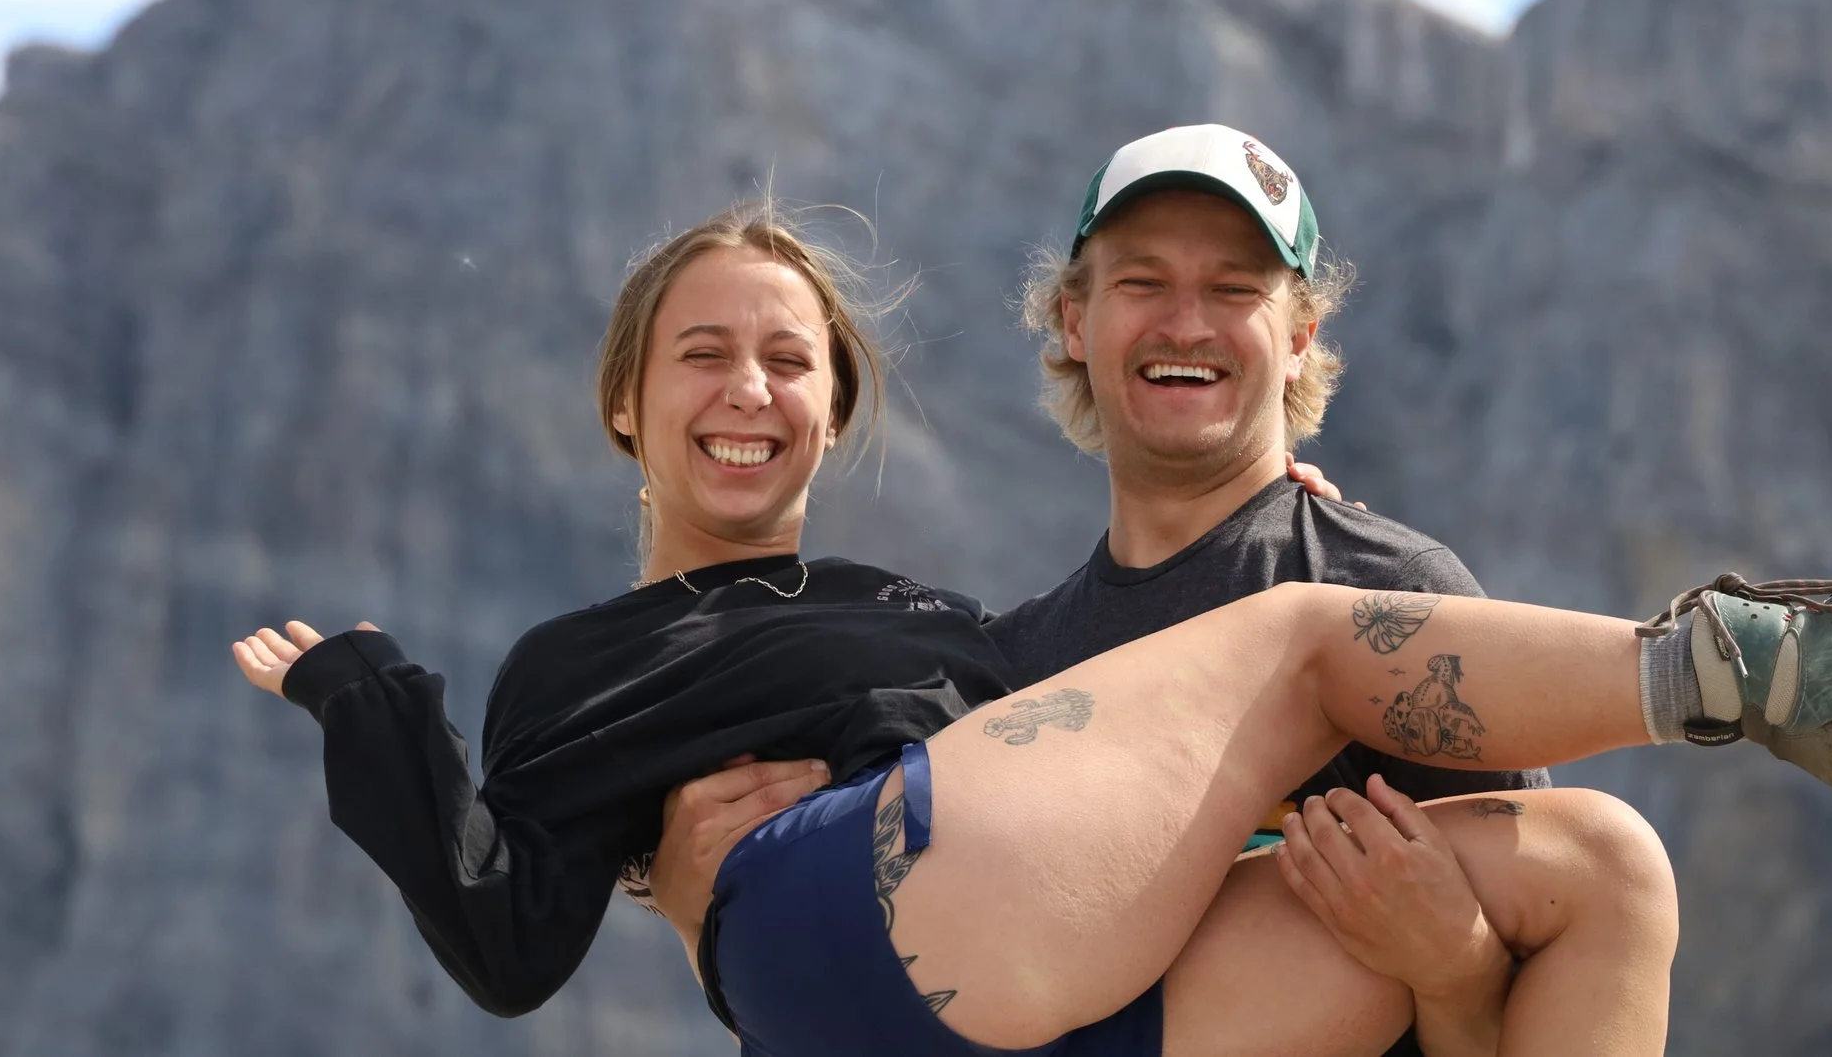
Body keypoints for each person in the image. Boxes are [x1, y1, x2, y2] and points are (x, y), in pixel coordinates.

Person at [235, 198, 1832, 1057]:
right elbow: (503, 935)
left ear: (837, 411)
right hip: (829, 927)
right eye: (704, 352)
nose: (753, 386)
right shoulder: (583, 659)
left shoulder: (956, 625)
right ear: (625, 402)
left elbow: (1097, 795)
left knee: (1603, 865)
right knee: (1313, 640)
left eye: (791, 357)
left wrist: (1448, 963)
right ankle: (1771, 664)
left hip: (1076, 1004)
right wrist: (367, 692)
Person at [650, 126, 1554, 1056]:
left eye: (1234, 289)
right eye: (1143, 282)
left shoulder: (1392, 599)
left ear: (1297, 338)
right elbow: (877, 1005)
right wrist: (694, 913)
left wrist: (1460, 966)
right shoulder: (997, 671)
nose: (1187, 324)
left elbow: (1555, 978)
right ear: (1075, 322)